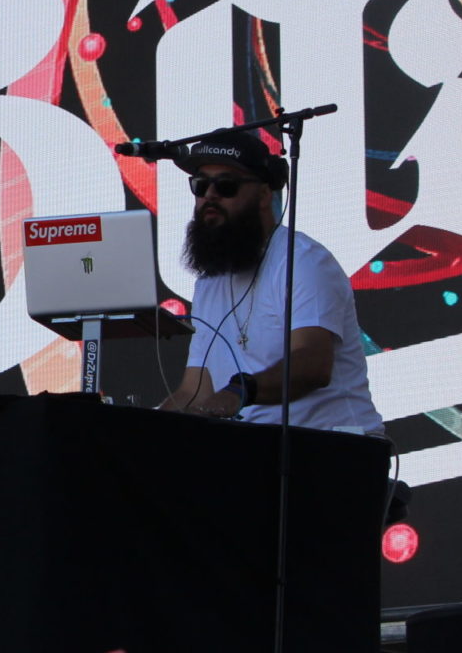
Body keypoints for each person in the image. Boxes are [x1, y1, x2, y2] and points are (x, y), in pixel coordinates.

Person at [157, 131, 383, 433]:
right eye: (200, 185)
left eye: (226, 185)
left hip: (333, 446)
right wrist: (142, 428)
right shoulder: (209, 282)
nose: (210, 195)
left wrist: (241, 390)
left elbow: (312, 363)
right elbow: (195, 389)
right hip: (258, 448)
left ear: (264, 195)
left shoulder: (302, 260)